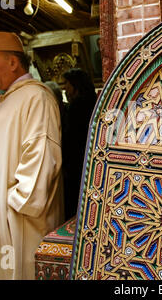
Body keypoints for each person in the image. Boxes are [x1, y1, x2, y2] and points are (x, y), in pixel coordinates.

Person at [0, 31, 64, 280]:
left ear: (13, 62)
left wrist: (10, 204)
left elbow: (40, 156)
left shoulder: (37, 97)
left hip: (15, 224)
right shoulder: (10, 99)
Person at [61, 68, 97, 220]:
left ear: (76, 85)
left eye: (67, 84)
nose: (65, 89)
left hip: (77, 164)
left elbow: (71, 139)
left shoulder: (77, 106)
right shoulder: (94, 102)